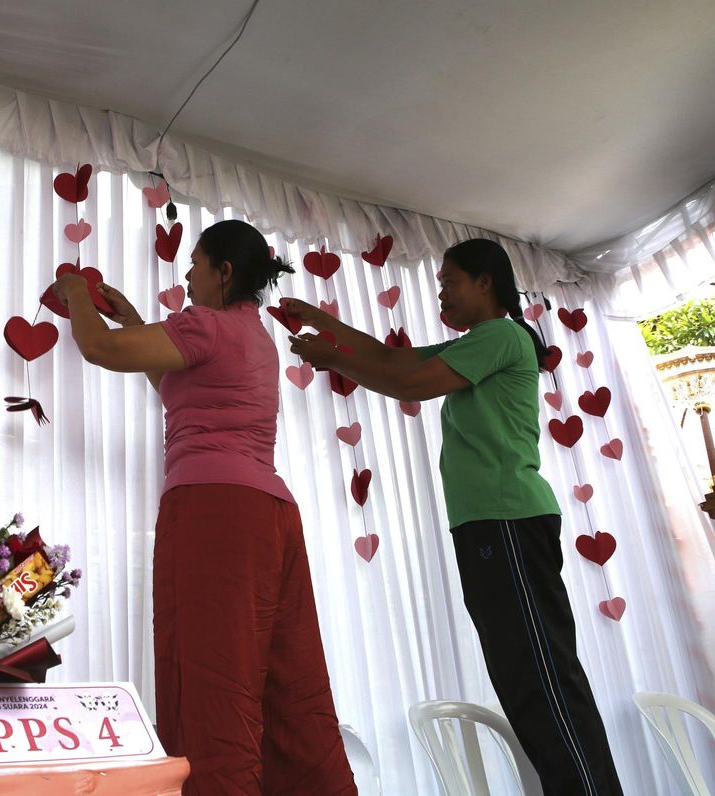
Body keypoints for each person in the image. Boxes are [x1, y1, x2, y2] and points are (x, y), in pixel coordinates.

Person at [285, 237, 622, 796]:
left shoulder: (500, 336)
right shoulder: (478, 343)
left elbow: (407, 383)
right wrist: (324, 321)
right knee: (522, 679)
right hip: (488, 527)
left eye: (450, 281)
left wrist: (331, 356)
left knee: (541, 679)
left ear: (485, 283)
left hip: (508, 522)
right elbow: (395, 360)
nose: (441, 291)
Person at [51, 219, 357, 795]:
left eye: (196, 264)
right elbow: (176, 380)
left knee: (213, 686)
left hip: (217, 513)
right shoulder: (252, 334)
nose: (187, 274)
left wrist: (73, 294)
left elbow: (99, 349)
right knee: (289, 685)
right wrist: (136, 321)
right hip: (269, 515)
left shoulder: (207, 326)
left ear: (224, 272)